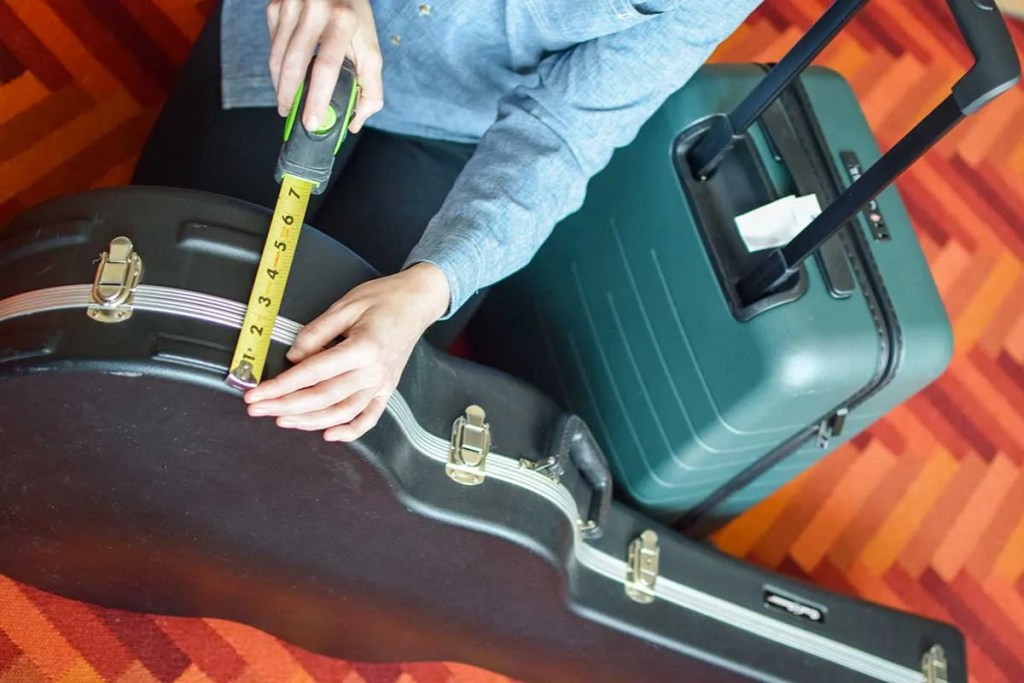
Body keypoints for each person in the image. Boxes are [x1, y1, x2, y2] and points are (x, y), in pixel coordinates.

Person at [132, 0, 761, 443]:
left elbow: (567, 132)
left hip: (462, 118)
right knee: (163, 299)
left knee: (328, 385)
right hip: (310, 29)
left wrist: (433, 285)